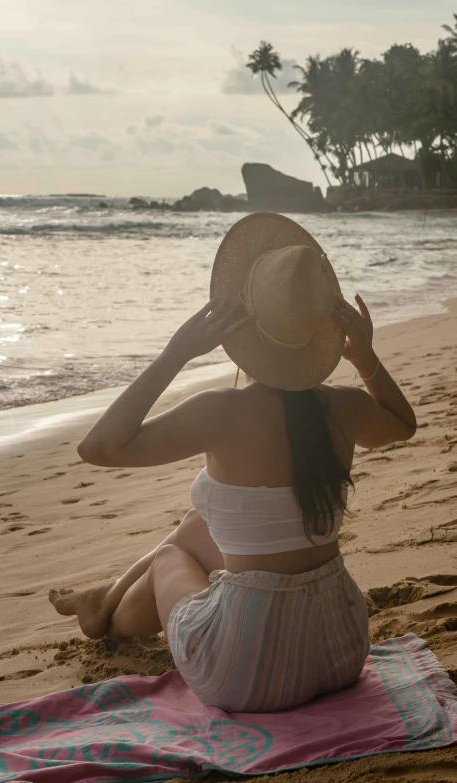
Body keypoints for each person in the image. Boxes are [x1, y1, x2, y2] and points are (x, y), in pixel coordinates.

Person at [49, 213, 416, 713]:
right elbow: (402, 422)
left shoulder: (223, 411)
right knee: (199, 527)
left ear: (243, 324)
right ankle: (104, 600)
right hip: (340, 651)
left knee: (168, 558)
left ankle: (106, 618)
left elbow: (100, 448)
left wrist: (176, 353)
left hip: (247, 677)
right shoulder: (344, 406)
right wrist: (366, 358)